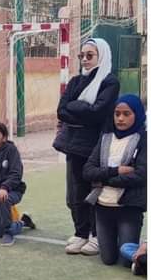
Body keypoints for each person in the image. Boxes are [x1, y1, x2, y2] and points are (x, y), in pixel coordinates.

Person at [53, 38, 120, 255]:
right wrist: (83, 109)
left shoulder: (109, 82)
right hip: (73, 145)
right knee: (76, 192)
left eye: (89, 55)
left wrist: (75, 107)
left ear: (101, 55)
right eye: (81, 56)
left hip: (95, 146)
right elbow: (61, 111)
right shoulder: (75, 81)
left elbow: (97, 113)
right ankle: (81, 232)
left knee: (95, 190)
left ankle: (96, 235)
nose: (84, 60)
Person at [82, 94, 146, 267]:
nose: (120, 118)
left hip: (128, 208)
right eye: (117, 114)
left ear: (137, 114)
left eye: (126, 114)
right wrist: (116, 171)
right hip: (103, 207)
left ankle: (142, 247)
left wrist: (103, 180)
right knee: (108, 259)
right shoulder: (105, 138)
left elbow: (140, 175)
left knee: (125, 261)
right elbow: (87, 171)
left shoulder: (144, 140)